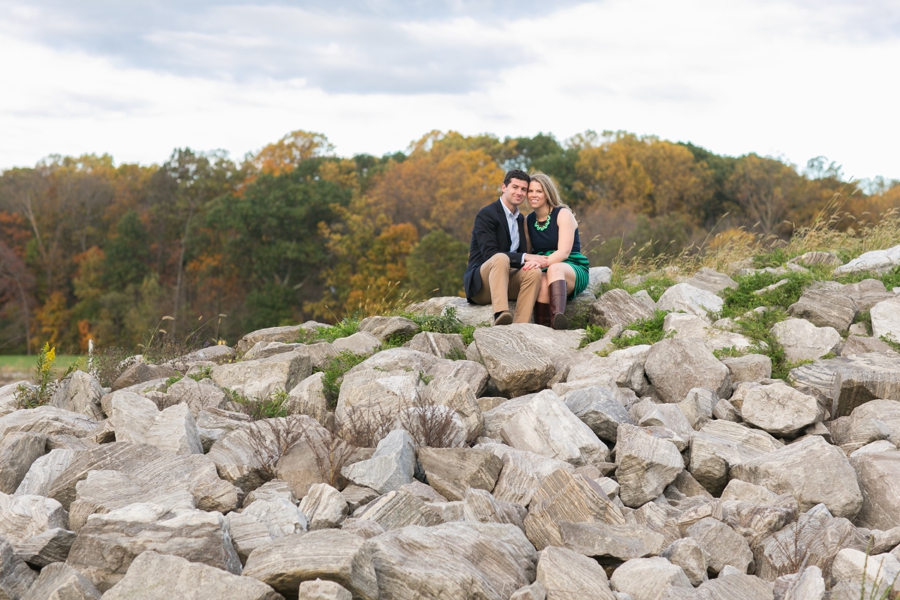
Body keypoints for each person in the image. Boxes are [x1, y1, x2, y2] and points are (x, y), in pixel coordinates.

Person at [464, 169, 547, 326]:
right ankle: (501, 314)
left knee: (534, 272)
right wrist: (525, 257)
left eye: (524, 189)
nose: (519, 192)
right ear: (504, 187)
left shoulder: (520, 219)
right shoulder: (487, 214)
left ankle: (520, 325)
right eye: (515, 187)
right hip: (482, 285)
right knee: (501, 257)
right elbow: (490, 254)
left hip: (508, 282)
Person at [523, 172, 590, 329]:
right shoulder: (528, 221)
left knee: (555, 268)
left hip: (570, 267)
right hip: (545, 270)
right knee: (542, 280)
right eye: (530, 191)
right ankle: (545, 329)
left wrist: (540, 263)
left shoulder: (563, 214)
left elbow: (563, 253)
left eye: (539, 191)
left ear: (547, 193)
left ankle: (558, 318)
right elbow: (527, 252)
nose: (533, 195)